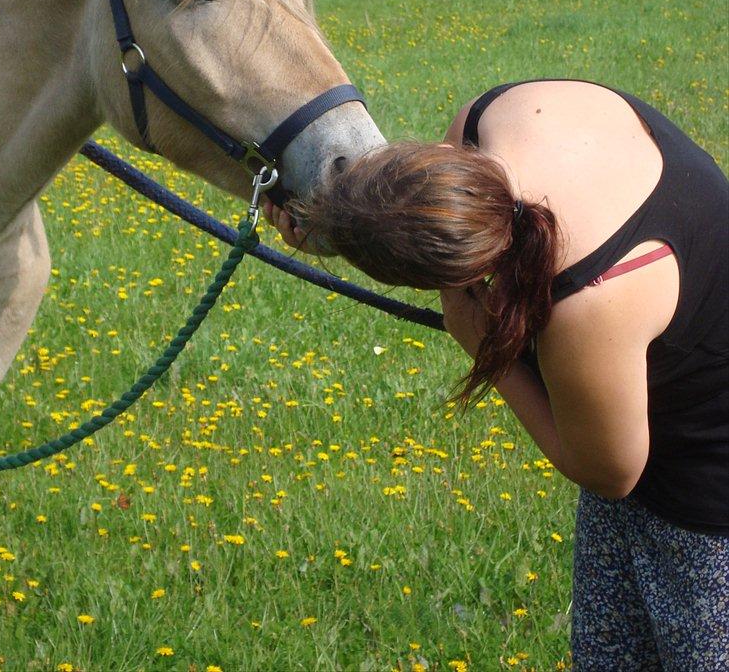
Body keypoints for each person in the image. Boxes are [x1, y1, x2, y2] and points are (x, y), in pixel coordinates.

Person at [264, 79, 729, 670]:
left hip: (706, 503)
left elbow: (610, 473)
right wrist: (338, 221)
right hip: (646, 418)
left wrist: (487, 348)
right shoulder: (487, 121)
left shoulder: (589, 303)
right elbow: (438, 223)